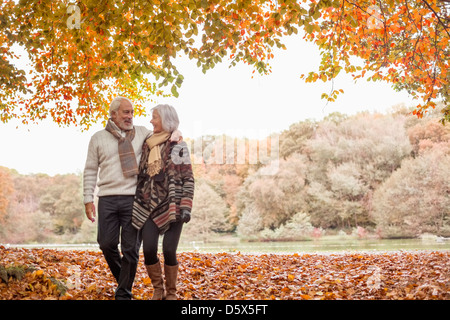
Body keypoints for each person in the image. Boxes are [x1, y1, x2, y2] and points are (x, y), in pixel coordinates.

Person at [82, 96, 151, 300]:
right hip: (107, 199)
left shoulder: (142, 133)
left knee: (130, 248)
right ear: (113, 114)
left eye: (131, 112)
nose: (130, 116)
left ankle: (123, 294)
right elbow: (90, 170)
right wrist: (88, 199)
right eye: (125, 112)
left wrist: (177, 132)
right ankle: (125, 278)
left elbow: (164, 134)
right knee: (106, 244)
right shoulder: (98, 138)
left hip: (133, 199)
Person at [132, 104, 194, 300]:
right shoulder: (146, 143)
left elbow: (188, 178)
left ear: (166, 120)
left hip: (173, 206)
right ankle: (158, 288)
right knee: (148, 249)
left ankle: (172, 292)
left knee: (169, 250)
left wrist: (186, 206)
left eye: (155, 117)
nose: (151, 121)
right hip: (148, 205)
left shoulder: (178, 146)